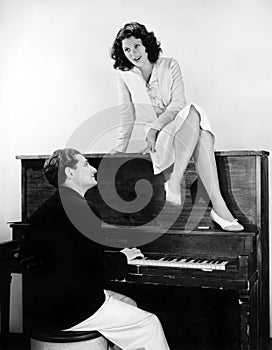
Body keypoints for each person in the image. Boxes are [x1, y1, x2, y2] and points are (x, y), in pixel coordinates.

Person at [21, 148, 170, 350]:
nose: (93, 168)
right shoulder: (82, 208)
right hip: (72, 310)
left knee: (128, 303)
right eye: (85, 164)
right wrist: (124, 257)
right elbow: (97, 267)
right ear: (70, 173)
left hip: (44, 309)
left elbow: (72, 258)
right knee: (149, 323)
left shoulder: (46, 209)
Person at [110, 22, 244, 232]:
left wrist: (155, 126)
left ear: (146, 44)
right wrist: (118, 150)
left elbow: (178, 104)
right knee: (200, 129)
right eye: (127, 49)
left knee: (192, 112)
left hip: (174, 128)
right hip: (156, 141)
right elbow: (127, 114)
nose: (133, 53)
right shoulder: (124, 75)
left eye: (136, 46)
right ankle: (219, 208)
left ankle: (175, 182)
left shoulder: (170, 64)